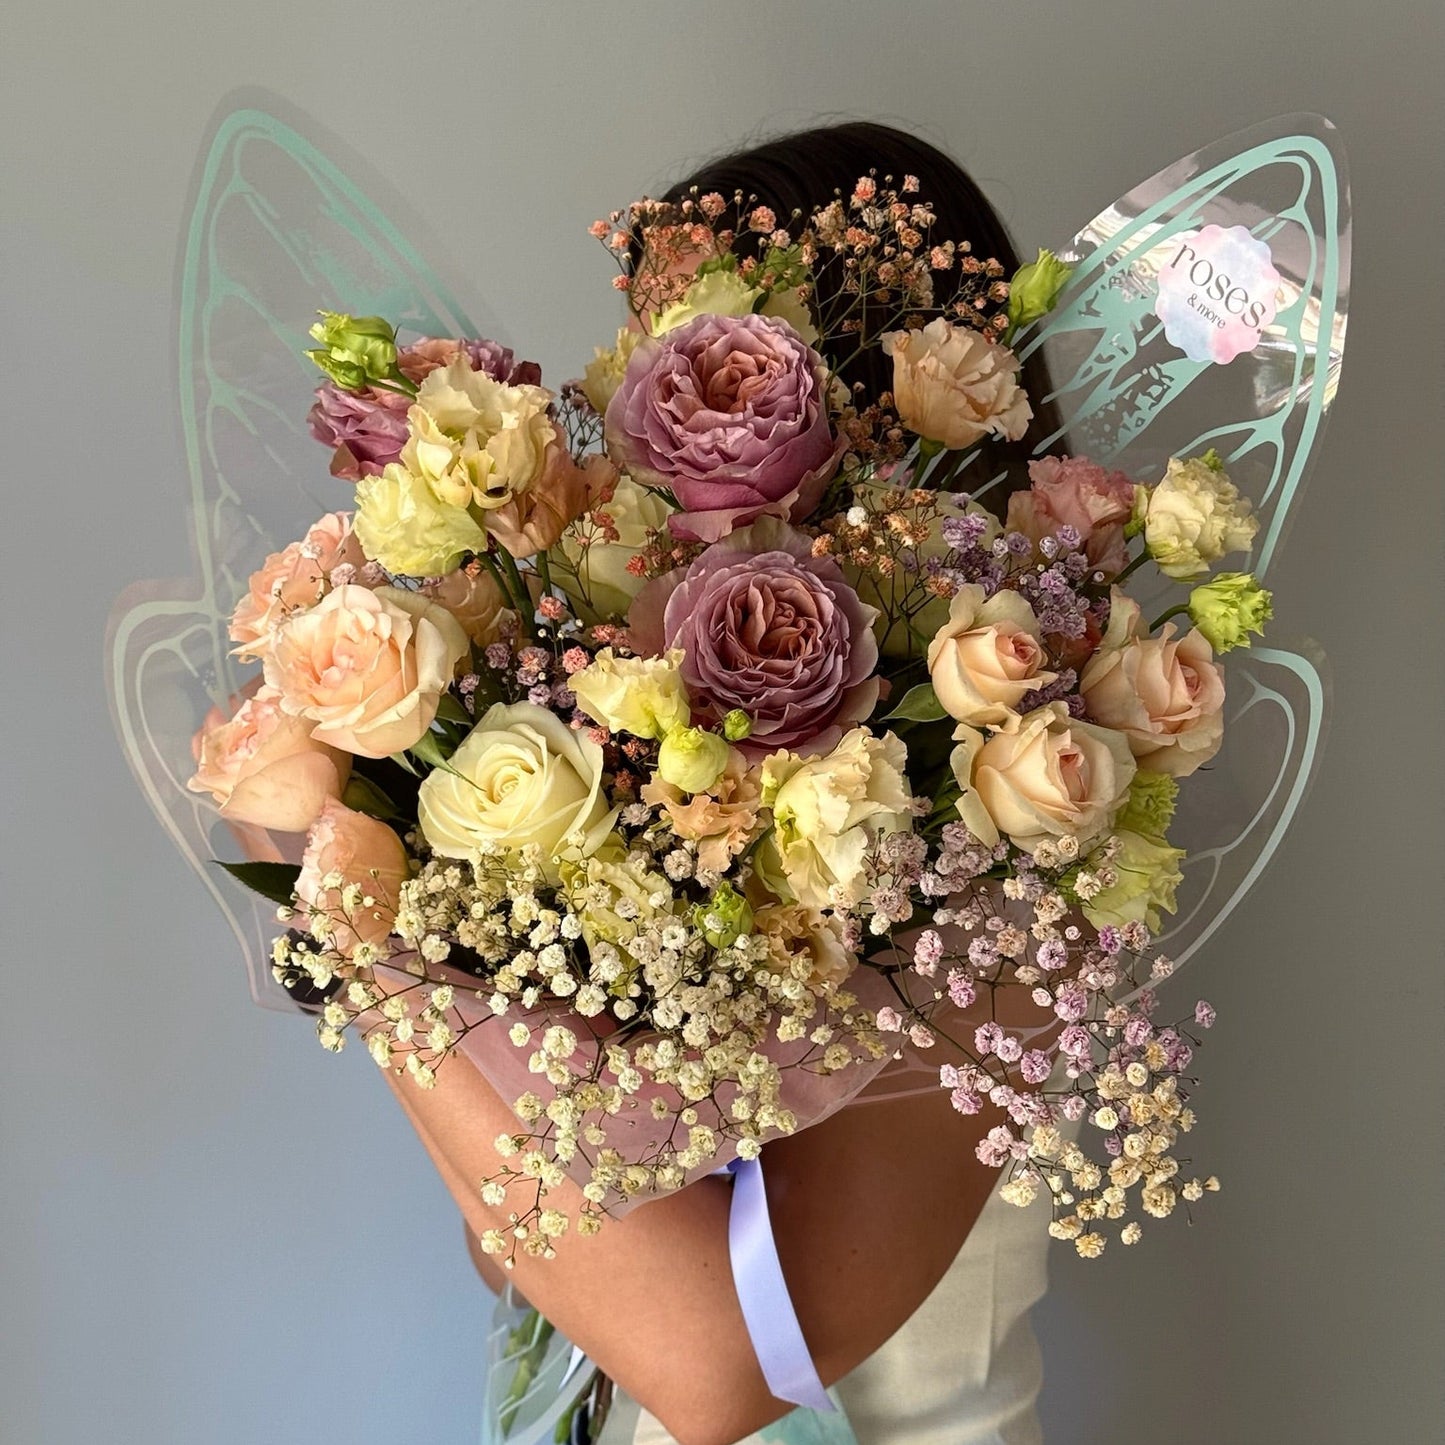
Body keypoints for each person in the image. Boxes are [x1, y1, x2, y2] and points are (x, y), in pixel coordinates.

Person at [378, 122, 1074, 1445]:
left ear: (854, 407)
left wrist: (357, 942)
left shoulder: (1020, 840)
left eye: (699, 382)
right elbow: (534, 1250)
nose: (635, 441)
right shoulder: (669, 791)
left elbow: (714, 1372)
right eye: (644, 378)